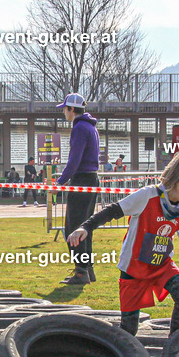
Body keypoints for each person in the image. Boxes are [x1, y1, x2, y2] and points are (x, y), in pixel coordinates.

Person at [67, 152, 179, 336]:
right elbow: (113, 211)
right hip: (133, 267)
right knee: (129, 329)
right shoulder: (147, 196)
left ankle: (176, 343)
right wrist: (85, 227)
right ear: (172, 180)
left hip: (162, 264)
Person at [57, 93, 101, 285]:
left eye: (65, 109)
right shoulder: (90, 127)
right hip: (91, 179)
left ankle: (81, 272)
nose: (64, 113)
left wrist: (60, 182)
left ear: (72, 109)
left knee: (73, 228)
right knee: (85, 227)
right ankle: (87, 269)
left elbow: (74, 160)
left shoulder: (80, 128)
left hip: (82, 180)